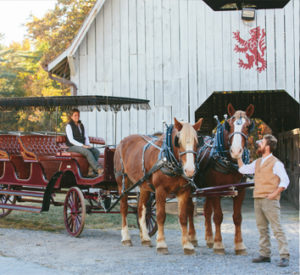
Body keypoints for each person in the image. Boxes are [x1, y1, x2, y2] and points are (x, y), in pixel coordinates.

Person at [237, 134, 290, 267]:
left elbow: (285, 181)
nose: (258, 144)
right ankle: (265, 254)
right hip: (258, 199)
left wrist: (274, 194)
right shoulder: (258, 162)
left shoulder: (276, 163)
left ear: (267, 147)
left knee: (277, 228)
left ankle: (284, 256)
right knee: (262, 228)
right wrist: (238, 157)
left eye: (261, 142)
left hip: (270, 200)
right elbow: (243, 169)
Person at [66, 108, 103, 177]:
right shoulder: (69, 126)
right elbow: (71, 140)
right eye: (75, 115)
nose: (77, 117)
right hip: (71, 147)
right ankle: (98, 169)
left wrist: (88, 145)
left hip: (82, 146)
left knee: (96, 151)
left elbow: (85, 136)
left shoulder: (81, 125)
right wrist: (83, 145)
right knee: (87, 151)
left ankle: (90, 170)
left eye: (78, 115)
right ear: (71, 116)